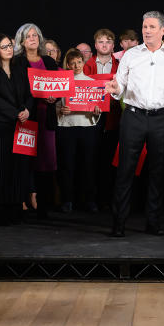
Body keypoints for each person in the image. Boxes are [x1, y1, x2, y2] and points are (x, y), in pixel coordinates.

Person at [105, 11, 164, 237]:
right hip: (133, 117)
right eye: (145, 27)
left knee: (158, 171)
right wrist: (116, 90)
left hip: (161, 118)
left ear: (162, 30)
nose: (147, 31)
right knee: (125, 170)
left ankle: (153, 222)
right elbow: (120, 85)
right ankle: (119, 224)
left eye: (152, 27)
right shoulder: (131, 55)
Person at [0, 33, 33, 225]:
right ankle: (0, 210)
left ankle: (16, 207)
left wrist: (27, 110)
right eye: (4, 46)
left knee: (17, 168)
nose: (9, 49)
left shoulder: (20, 69)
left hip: (19, 127)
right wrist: (16, 113)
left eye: (10, 45)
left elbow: (29, 94)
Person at [15, 23, 60, 217]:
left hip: (46, 117)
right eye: (28, 36)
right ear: (22, 41)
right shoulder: (17, 62)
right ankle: (23, 202)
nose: (33, 38)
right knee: (25, 162)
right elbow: (15, 90)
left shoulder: (49, 62)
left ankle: (44, 205)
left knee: (47, 162)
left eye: (35, 35)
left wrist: (54, 97)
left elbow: (59, 87)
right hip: (26, 118)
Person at [55, 48, 102, 213]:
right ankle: (67, 200)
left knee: (88, 166)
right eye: (72, 63)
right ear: (67, 64)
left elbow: (98, 107)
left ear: (84, 63)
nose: (76, 66)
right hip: (67, 127)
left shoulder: (91, 82)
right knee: (67, 166)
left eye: (79, 62)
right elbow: (56, 105)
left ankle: (88, 201)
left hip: (87, 127)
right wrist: (60, 110)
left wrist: (97, 111)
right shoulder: (62, 82)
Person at [84, 28, 121, 210]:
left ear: (113, 46)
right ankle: (92, 199)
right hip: (92, 118)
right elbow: (82, 91)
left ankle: (109, 199)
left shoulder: (121, 65)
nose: (104, 45)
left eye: (108, 42)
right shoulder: (87, 65)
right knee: (92, 160)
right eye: (101, 41)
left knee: (111, 161)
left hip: (114, 118)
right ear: (95, 45)